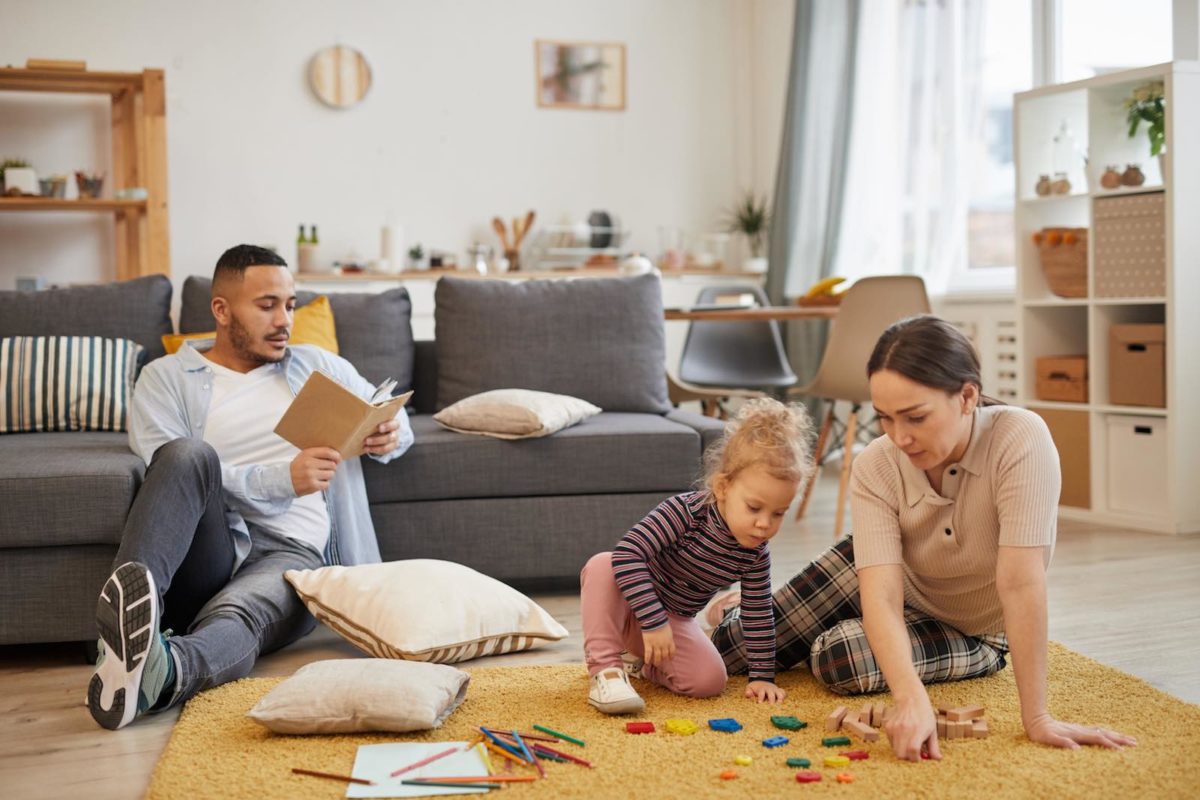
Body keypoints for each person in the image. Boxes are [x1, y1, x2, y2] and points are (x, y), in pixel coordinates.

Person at [709, 315, 1136, 759]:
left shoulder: (1020, 440)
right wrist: (912, 699)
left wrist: (1038, 718)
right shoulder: (876, 463)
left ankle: (804, 617)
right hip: (893, 576)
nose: (900, 437)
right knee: (730, 650)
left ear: (967, 396)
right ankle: (743, 607)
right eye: (885, 419)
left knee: (837, 657)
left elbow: (1020, 583)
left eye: (915, 417)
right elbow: (882, 593)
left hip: (973, 629)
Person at [86, 244, 414, 730]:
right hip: (210, 547)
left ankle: (159, 670)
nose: (284, 320)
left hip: (294, 553)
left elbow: (392, 414)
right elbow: (165, 474)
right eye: (266, 305)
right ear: (221, 310)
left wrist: (389, 432)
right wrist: (283, 479)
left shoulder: (317, 366)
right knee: (186, 454)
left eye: (290, 305)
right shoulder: (165, 378)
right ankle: (132, 623)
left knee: (238, 616)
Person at [580, 398, 814, 714]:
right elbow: (628, 555)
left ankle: (641, 664)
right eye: (754, 508)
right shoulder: (686, 512)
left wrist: (762, 676)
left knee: (710, 682)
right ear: (722, 488)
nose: (764, 524)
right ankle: (605, 670)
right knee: (603, 565)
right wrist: (653, 620)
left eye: (779, 514)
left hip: (673, 620)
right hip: (631, 604)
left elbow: (758, 611)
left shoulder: (756, 552)